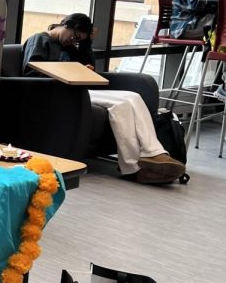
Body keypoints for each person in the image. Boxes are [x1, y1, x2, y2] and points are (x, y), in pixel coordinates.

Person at [22, 13, 185, 184]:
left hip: (79, 90)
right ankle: (134, 166)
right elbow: (30, 71)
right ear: (65, 25)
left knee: (133, 97)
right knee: (121, 103)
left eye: (79, 40)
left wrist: (86, 46)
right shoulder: (39, 40)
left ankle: (152, 154)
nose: (73, 41)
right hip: (60, 92)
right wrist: (61, 74)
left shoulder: (70, 47)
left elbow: (89, 65)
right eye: (75, 36)